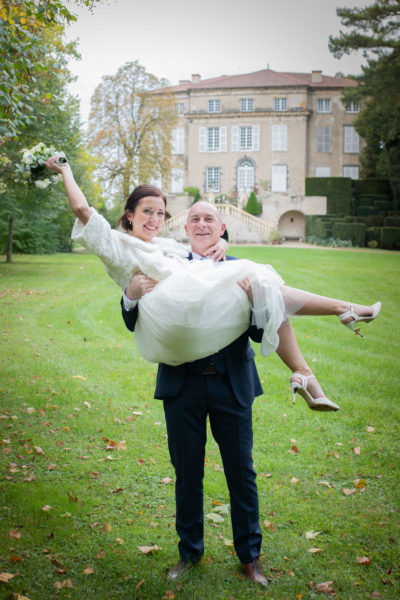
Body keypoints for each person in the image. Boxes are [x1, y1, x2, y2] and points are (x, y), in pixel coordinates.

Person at [44, 155, 381, 414]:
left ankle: (304, 373)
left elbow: (197, 254)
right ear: (130, 214)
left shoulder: (166, 246)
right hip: (172, 309)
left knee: (261, 287)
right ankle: (342, 312)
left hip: (189, 304)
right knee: (261, 279)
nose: (154, 219)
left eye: (161, 213)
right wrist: (65, 170)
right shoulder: (116, 244)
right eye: (147, 211)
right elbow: (83, 209)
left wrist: (224, 244)